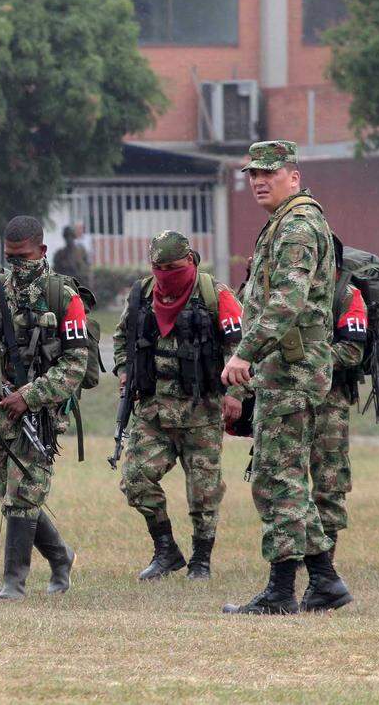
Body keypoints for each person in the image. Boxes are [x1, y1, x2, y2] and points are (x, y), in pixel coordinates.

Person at [222, 140, 353, 614]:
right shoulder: (285, 223)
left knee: (276, 480)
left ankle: (280, 592)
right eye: (253, 174)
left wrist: (244, 354)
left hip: (291, 374)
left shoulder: (297, 226)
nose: (259, 181)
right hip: (288, 372)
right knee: (287, 477)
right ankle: (324, 582)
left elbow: (286, 303)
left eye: (269, 173)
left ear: (293, 177)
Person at [113, 231, 245, 582]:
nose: (166, 274)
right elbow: (122, 338)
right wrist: (125, 372)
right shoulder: (142, 294)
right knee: (136, 480)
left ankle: (201, 560)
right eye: (158, 267)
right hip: (153, 411)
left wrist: (236, 394)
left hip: (202, 410)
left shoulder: (214, 295)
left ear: (191, 260)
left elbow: (242, 348)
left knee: (204, 492)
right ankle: (166, 550)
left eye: (172, 266)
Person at [0, 216, 85, 600]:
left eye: (24, 257)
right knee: (9, 491)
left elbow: (75, 365)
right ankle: (60, 556)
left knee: (23, 494)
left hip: (42, 413)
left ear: (42, 251)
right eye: (10, 257)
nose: (17, 265)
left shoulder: (63, 296)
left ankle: (13, 583)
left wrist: (30, 395)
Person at [310, 249, 367, 564]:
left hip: (331, 400)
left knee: (329, 479)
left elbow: (352, 350)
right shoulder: (291, 292)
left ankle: (324, 560)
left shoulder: (347, 294)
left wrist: (310, 362)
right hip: (291, 396)